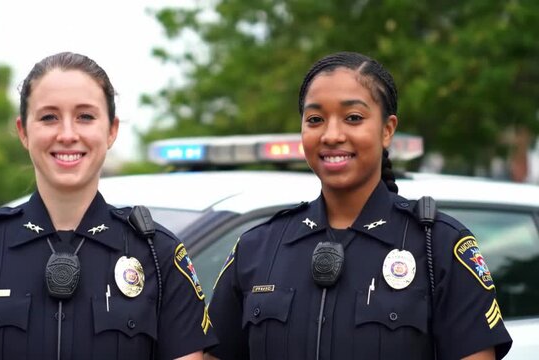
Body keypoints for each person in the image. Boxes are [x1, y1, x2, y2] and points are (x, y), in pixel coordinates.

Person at [0, 52, 217, 359]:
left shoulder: (159, 257)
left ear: (111, 131)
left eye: (85, 117)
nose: (67, 134)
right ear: (24, 131)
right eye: (49, 117)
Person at [207, 51, 512, 360]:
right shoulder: (257, 248)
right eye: (315, 120)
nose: (332, 135)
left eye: (353, 118)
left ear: (387, 130)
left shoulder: (440, 246)